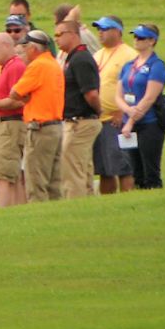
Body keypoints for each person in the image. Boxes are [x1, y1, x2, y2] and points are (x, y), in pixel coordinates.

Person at [0, 31, 65, 202]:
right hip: (56, 126)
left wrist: (26, 97)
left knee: (36, 182)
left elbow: (15, 93)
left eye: (25, 48)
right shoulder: (54, 64)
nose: (23, 52)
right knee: (54, 183)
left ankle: (40, 219)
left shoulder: (37, 65)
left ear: (33, 48)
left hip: (40, 128)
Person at [117, 25, 165, 190]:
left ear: (152, 41)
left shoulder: (156, 65)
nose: (136, 40)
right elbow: (118, 95)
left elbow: (149, 98)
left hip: (149, 123)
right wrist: (127, 110)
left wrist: (130, 121)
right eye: (135, 37)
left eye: (141, 38)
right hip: (129, 123)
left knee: (150, 170)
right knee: (135, 171)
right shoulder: (128, 66)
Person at [90, 17, 139, 194]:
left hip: (116, 119)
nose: (100, 32)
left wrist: (123, 111)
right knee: (104, 169)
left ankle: (127, 199)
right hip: (99, 119)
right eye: (98, 29)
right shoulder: (98, 54)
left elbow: (134, 86)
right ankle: (107, 203)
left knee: (123, 166)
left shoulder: (129, 55)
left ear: (118, 31)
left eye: (105, 28)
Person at [57, 21, 102, 198]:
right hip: (77, 120)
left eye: (61, 34)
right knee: (83, 167)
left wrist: (98, 110)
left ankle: (75, 202)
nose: (57, 39)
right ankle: (87, 201)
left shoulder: (81, 59)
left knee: (72, 169)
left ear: (74, 34)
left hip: (80, 121)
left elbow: (91, 94)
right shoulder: (73, 58)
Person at [0, 31, 28, 206]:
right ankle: (16, 210)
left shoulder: (16, 67)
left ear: (6, 46)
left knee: (2, 176)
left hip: (9, 126)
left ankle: (5, 211)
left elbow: (18, 100)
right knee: (11, 175)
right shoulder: (8, 67)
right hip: (4, 126)